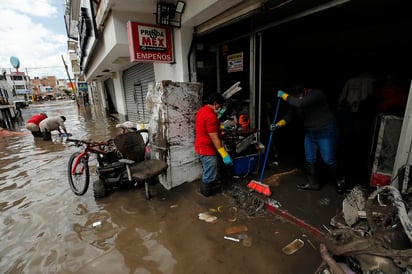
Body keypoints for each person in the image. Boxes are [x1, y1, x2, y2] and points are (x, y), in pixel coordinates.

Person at [271, 83, 346, 194]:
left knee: (328, 159)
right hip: (311, 133)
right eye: (295, 96)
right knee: (309, 158)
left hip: (326, 131)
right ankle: (313, 184)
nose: (297, 97)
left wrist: (283, 95)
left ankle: (340, 180)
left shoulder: (316, 94)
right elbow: (289, 117)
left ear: (305, 90)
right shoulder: (296, 100)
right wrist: (277, 125)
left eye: (299, 95)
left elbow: (301, 103)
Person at [195, 93, 233, 197]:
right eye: (220, 106)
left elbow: (206, 126)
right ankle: (206, 193)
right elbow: (215, 138)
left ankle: (207, 187)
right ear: (215, 104)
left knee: (208, 170)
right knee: (210, 173)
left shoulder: (202, 111)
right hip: (206, 149)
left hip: (200, 146)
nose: (220, 108)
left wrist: (221, 128)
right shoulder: (211, 116)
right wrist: (224, 154)